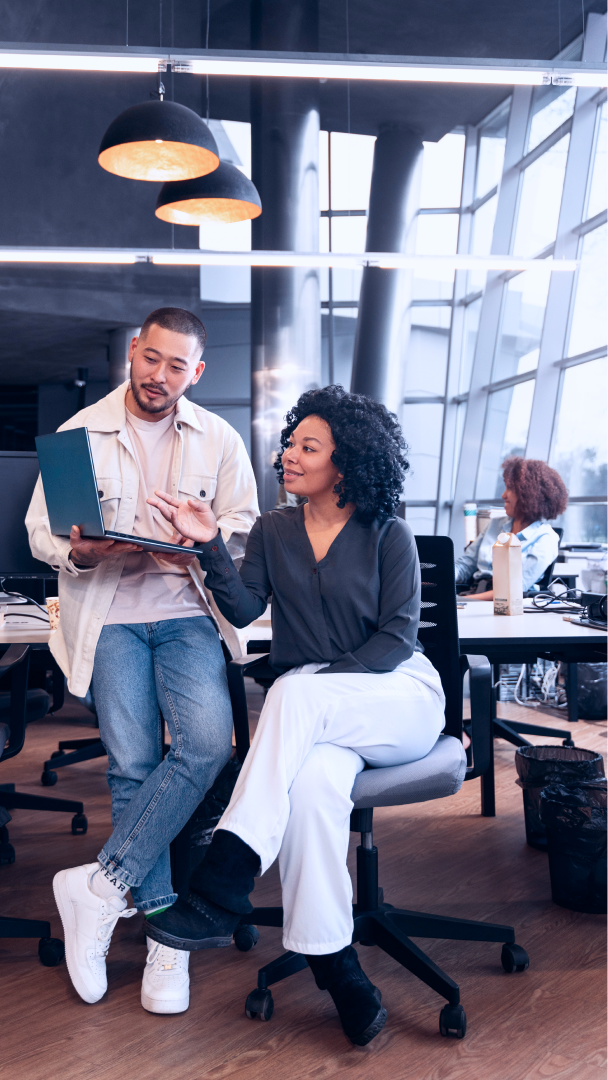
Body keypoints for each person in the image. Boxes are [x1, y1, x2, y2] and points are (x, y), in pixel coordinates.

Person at [143, 385, 446, 1047]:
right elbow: (246, 609)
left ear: (346, 463)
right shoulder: (275, 530)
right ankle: (340, 970)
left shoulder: (386, 532)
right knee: (309, 793)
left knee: (293, 692)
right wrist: (208, 545)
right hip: (316, 712)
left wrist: (313, 690)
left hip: (398, 697)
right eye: (289, 442)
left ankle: (224, 878)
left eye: (308, 446)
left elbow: (397, 638)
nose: (288, 454)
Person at [25, 307, 258, 1015]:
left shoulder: (218, 438)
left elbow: (245, 529)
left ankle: (98, 887)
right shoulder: (79, 433)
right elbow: (39, 531)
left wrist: (205, 534)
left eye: (177, 366)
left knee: (205, 748)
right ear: (135, 350)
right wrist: (79, 551)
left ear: (198, 372)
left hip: (187, 613)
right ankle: (166, 947)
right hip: (111, 618)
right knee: (130, 768)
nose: (161, 377)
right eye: (152, 359)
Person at [457, 457, 568, 601]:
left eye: (510, 488)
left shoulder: (546, 538)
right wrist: (437, 578)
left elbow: (515, 588)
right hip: (473, 594)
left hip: (505, 604)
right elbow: (465, 565)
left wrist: (463, 601)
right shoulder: (494, 525)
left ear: (529, 494)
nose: (503, 495)